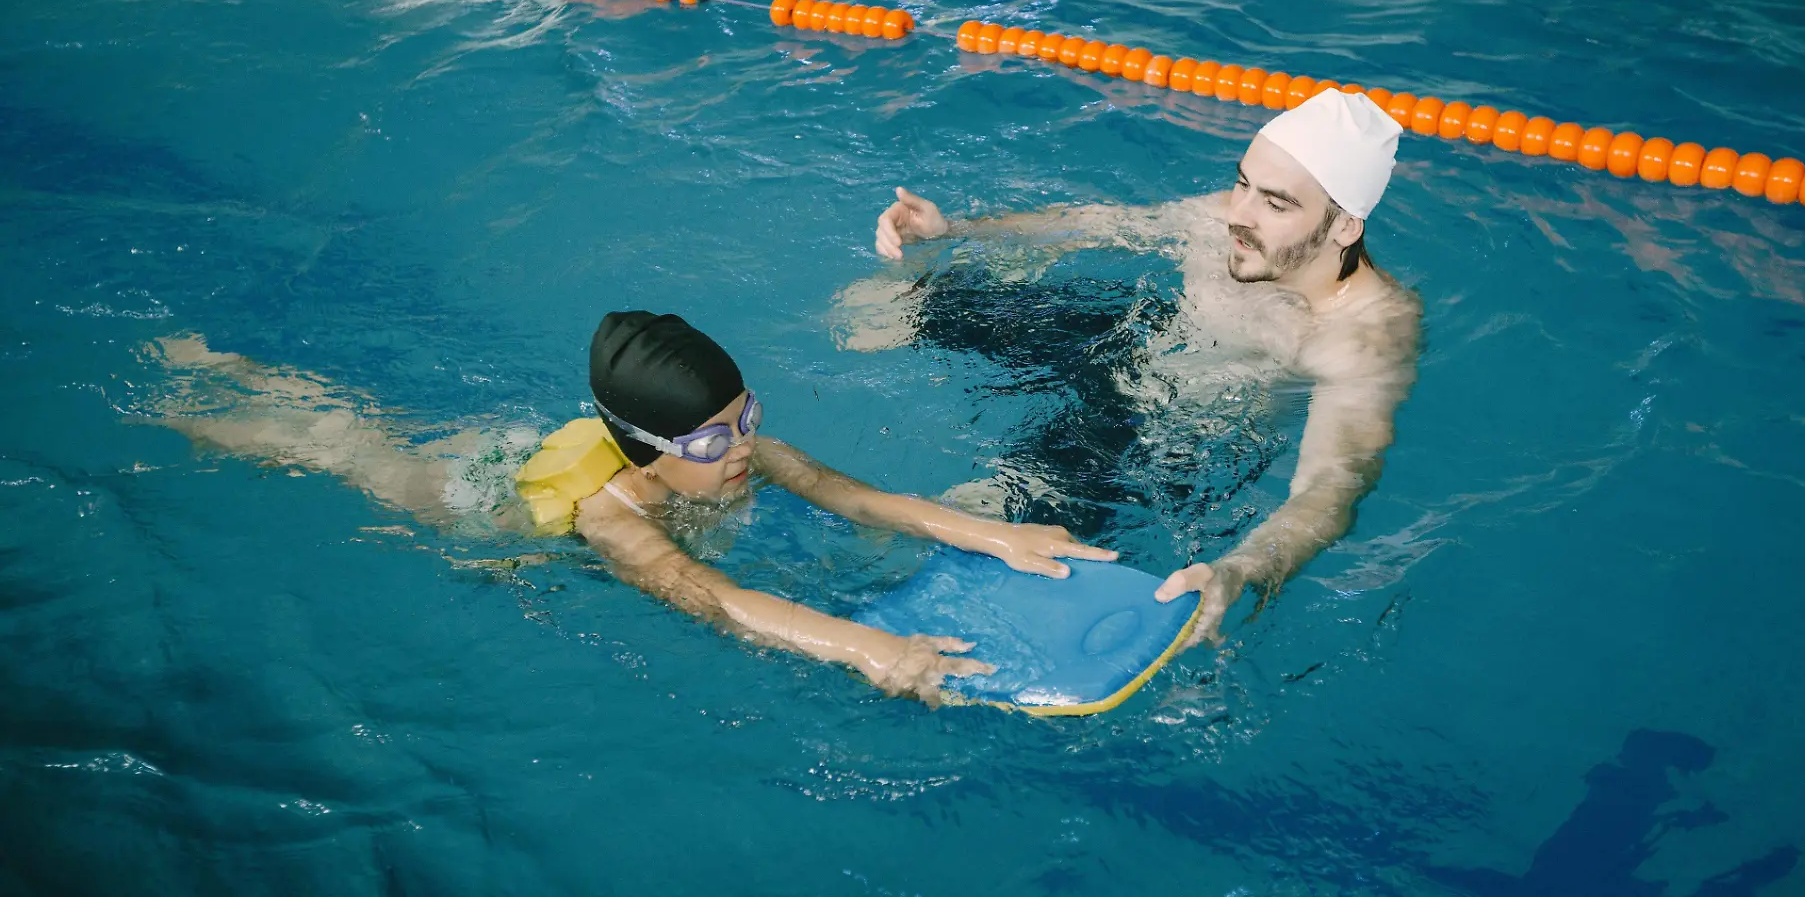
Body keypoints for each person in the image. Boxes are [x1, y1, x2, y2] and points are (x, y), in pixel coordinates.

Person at [146, 311, 1117, 705]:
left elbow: (857, 496)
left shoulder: (742, 450)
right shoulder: (613, 523)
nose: (742, 450)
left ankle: (233, 376)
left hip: (564, 446)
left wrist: (1001, 534)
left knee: (361, 429)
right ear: (647, 448)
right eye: (712, 440)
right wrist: (867, 648)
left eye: (745, 421)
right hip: (474, 497)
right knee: (347, 452)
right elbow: (712, 599)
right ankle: (205, 388)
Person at [857, 89, 1423, 646]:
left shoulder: (1361, 336)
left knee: (961, 530)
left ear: (1346, 227)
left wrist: (1240, 569)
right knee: (878, 308)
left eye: (1276, 203)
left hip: (1160, 433)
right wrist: (956, 230)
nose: (1239, 215)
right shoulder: (1230, 219)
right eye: (1242, 183)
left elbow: (1329, 487)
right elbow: (1098, 222)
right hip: (1134, 337)